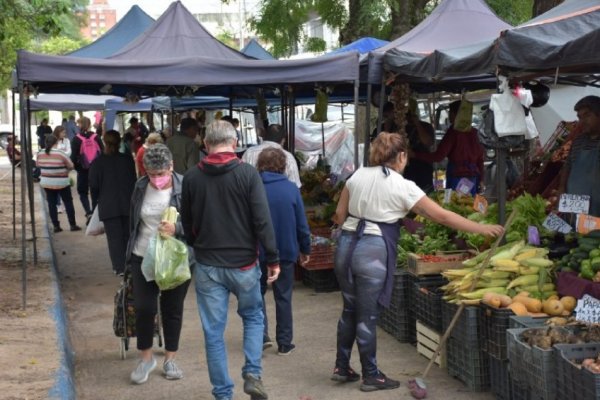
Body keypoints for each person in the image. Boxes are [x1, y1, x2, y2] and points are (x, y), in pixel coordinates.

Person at [330, 133, 503, 392]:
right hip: (373, 249)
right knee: (367, 315)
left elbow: (339, 215)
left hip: (346, 245)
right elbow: (442, 217)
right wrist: (481, 229)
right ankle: (371, 375)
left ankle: (341, 367)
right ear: (401, 156)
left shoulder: (357, 176)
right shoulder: (403, 186)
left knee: (350, 309)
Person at [181, 120, 280, 400]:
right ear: (235, 143)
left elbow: (187, 224)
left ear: (205, 144)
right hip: (245, 264)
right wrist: (273, 258)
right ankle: (252, 373)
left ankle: (223, 394)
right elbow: (262, 220)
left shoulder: (191, 177)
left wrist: (197, 244)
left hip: (208, 265)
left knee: (213, 332)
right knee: (252, 317)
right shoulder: (248, 174)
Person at [124, 144, 191, 384]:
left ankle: (170, 358)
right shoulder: (140, 186)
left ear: (171, 167)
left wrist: (177, 228)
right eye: (151, 174)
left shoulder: (187, 186)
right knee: (144, 308)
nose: (156, 179)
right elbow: (134, 222)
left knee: (172, 309)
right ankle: (146, 358)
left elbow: (199, 222)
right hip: (142, 256)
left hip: (175, 259)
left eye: (161, 174)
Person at [256, 148, 311, 355]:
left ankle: (261, 336)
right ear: (283, 165)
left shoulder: (254, 187)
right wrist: (305, 248)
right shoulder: (291, 189)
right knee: (284, 296)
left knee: (257, 294)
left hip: (257, 251)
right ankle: (285, 342)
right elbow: (302, 225)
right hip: (286, 251)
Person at [89, 130, 137, 275]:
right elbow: (134, 181)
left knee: (114, 239)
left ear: (104, 141)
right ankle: (130, 264)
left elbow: (94, 186)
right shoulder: (127, 160)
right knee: (128, 236)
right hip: (128, 203)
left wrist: (95, 206)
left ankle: (119, 267)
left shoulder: (97, 163)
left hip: (108, 205)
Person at [413, 100, 485, 195]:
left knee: (455, 205)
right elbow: (480, 160)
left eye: (450, 113)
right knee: (469, 206)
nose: (449, 116)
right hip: (472, 178)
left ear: (456, 115)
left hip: (458, 178)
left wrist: (414, 155)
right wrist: (481, 180)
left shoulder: (453, 132)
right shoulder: (475, 133)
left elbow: (438, 157)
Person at [559, 95, 600, 217]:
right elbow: (567, 167)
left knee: (592, 236)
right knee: (572, 235)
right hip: (574, 206)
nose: (582, 121)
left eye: (587, 116)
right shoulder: (578, 141)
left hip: (596, 210)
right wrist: (561, 190)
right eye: (579, 117)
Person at [36, 134, 81, 233]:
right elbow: (71, 166)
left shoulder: (40, 153)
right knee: (68, 202)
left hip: (47, 182)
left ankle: (56, 226)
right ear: (56, 143)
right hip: (62, 182)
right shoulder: (61, 153)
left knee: (51, 204)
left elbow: (38, 165)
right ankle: (72, 225)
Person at [242, 124, 301, 188]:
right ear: (283, 140)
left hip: (251, 195)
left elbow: (241, 178)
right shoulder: (288, 157)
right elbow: (295, 185)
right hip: (280, 195)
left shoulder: (249, 152)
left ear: (264, 136)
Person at [71, 116, 104, 218]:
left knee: (82, 192)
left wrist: (77, 168)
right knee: (95, 191)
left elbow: (73, 156)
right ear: (89, 125)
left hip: (83, 169)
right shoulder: (96, 137)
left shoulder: (76, 139)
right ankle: (95, 212)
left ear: (80, 125)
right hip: (96, 169)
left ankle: (88, 211)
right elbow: (103, 152)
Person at [403, 101, 436, 193]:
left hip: (424, 167)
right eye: (406, 114)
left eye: (410, 114)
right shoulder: (401, 126)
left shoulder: (426, 126)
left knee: (425, 193)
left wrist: (417, 124)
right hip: (407, 168)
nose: (408, 116)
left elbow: (428, 142)